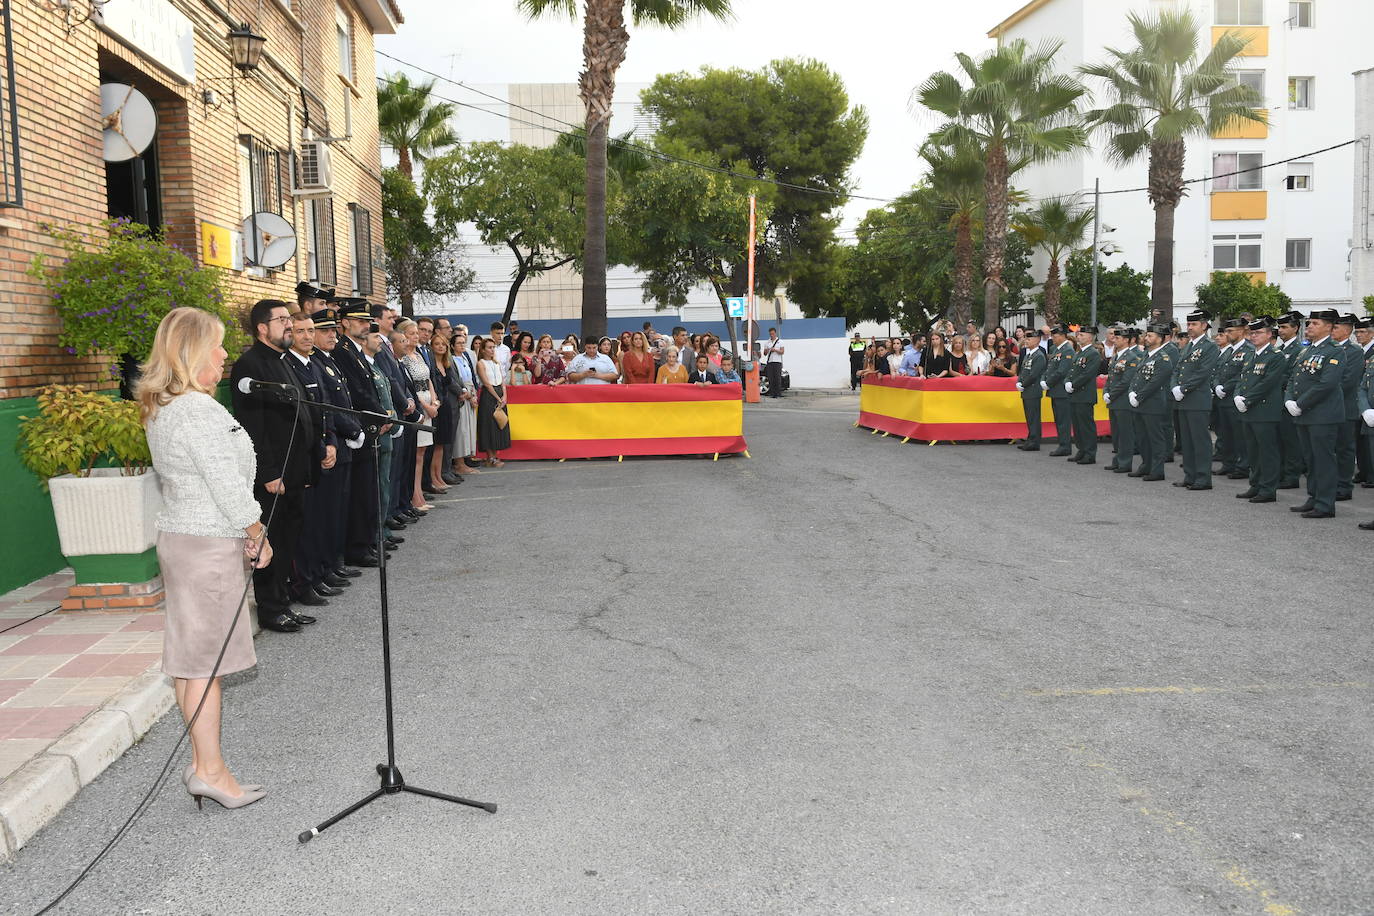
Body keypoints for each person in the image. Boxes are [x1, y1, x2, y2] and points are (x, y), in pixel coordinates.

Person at [138, 308, 268, 810]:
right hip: (206, 545)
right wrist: (257, 533)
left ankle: (204, 766)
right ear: (191, 352)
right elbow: (226, 485)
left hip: (190, 541)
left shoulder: (174, 406)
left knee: (195, 664)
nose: (223, 354)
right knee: (203, 666)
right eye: (215, 345)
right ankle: (211, 770)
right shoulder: (192, 411)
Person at [228, 299, 316, 634]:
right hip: (274, 474)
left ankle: (283, 602)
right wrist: (268, 473)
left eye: (288, 319)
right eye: (282, 320)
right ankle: (270, 608)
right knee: (271, 538)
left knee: (288, 538)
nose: (289, 325)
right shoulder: (250, 365)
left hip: (294, 469)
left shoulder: (283, 361)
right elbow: (253, 427)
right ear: (262, 327)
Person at [283, 311, 341, 609]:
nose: (306, 336)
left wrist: (330, 441)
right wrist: (321, 449)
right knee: (305, 525)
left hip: (322, 449)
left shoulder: (313, 364)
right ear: (290, 333)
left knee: (320, 519)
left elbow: (325, 409)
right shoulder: (288, 365)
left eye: (309, 331)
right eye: (301, 331)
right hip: (305, 456)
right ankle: (304, 582)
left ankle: (318, 573)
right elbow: (301, 416)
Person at [306, 308, 364, 586]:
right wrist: (351, 428)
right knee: (327, 512)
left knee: (339, 509)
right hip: (333, 442)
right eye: (324, 330)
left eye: (333, 330)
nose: (332, 335)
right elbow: (328, 406)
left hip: (341, 443)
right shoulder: (315, 362)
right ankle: (324, 566)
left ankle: (333, 563)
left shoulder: (327, 360)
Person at [1284, 309, 1345, 518]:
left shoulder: (1335, 350)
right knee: (1310, 459)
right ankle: (1314, 496)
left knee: (1323, 459)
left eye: (1314, 323)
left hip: (1323, 415)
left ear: (1328, 327)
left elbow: (1327, 383)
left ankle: (1325, 503)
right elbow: (1293, 378)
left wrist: (1300, 403)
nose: (1309, 327)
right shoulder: (1306, 351)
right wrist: (1289, 400)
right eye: (1309, 323)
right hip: (1304, 414)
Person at [1233, 318, 1285, 503]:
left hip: (1264, 410)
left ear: (1269, 334)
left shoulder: (1276, 356)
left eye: (1259, 333)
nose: (1254, 336)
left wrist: (1247, 399)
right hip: (1249, 410)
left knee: (1267, 451)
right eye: (1252, 333)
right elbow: (1242, 379)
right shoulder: (1250, 355)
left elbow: (1268, 383)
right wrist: (1238, 395)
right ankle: (1255, 484)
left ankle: (1268, 488)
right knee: (1253, 451)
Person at [1171, 309, 1221, 491]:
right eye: (1189, 324)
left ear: (1204, 326)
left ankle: (1203, 477)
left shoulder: (1209, 346)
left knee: (1200, 440)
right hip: (1183, 399)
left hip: (1197, 399)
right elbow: (1177, 369)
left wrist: (1183, 388)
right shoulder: (1189, 346)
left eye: (1194, 324)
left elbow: (1203, 372)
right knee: (1187, 440)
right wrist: (1174, 386)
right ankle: (1190, 475)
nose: (1190, 328)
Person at [1126, 324, 1175, 481]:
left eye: (1150, 336)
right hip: (1141, 403)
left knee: (1155, 438)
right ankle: (1145, 465)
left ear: (1160, 339)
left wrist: (1138, 396)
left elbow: (1155, 382)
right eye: (1146, 336)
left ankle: (1157, 470)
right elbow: (1136, 377)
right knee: (1142, 437)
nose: (1146, 338)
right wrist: (1132, 392)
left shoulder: (1163, 358)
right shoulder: (1146, 355)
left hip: (1153, 404)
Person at [1212, 318, 1252, 480]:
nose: (1227, 334)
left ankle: (1242, 466)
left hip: (1235, 399)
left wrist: (1225, 388)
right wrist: (1216, 386)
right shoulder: (1228, 351)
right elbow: (1216, 372)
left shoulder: (1248, 349)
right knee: (1225, 434)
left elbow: (1242, 374)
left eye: (1231, 331)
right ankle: (1228, 464)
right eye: (1226, 331)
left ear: (1242, 331)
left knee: (1239, 435)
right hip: (1222, 399)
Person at [1331, 313, 1364, 503]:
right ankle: (1332, 483)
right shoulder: (1330, 349)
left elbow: (1348, 381)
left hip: (1345, 407)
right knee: (1331, 448)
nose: (1333, 330)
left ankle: (1344, 486)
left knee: (1344, 449)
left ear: (1347, 330)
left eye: (1336, 327)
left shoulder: (1353, 351)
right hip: (1328, 407)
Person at [1102, 328, 1141, 473]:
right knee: (1117, 433)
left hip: (1123, 401)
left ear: (1126, 340)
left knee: (1125, 433)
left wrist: (1111, 394)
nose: (1114, 340)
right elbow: (1110, 378)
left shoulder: (1131, 357)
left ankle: (1125, 462)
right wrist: (1106, 392)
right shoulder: (1116, 357)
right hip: (1114, 400)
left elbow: (1126, 381)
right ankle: (1118, 459)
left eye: (1118, 338)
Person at [1274, 311, 1306, 488]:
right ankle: (1281, 473)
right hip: (1276, 400)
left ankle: (1292, 476)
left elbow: (1292, 376)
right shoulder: (1280, 349)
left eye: (1285, 327)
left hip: (1288, 399)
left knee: (1290, 440)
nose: (1280, 330)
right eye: (1279, 327)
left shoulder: (1299, 350)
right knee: (1279, 439)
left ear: (1295, 328)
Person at [1063, 326, 1104, 464]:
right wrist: (1067, 381)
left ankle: (1090, 453)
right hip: (1075, 395)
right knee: (1077, 425)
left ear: (1090, 337)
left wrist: (1073, 384)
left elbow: (1088, 374)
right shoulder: (1079, 353)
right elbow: (1072, 371)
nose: (1078, 337)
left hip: (1085, 395)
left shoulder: (1093, 353)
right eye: (1078, 335)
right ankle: (1081, 450)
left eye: (1082, 335)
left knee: (1086, 426)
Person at [428, 332, 460, 489]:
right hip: (437, 404)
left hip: (447, 404)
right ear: (431, 347)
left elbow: (451, 382)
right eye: (437, 344)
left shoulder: (447, 363)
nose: (440, 346)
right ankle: (433, 478)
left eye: (443, 344)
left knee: (442, 443)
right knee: (435, 444)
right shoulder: (431, 363)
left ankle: (438, 476)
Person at [1041, 326, 1075, 456]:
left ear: (1062, 336)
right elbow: (1050, 367)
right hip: (1055, 389)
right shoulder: (1055, 349)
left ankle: (1065, 446)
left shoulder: (1068, 351)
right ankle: (1062, 444)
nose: (1052, 339)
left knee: (1063, 420)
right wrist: (1044, 379)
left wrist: (1048, 383)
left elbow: (1062, 371)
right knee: (1058, 419)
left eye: (1054, 337)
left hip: (1061, 390)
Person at [476, 338, 510, 466]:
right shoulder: (481, 363)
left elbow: (502, 382)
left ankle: (495, 455)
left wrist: (504, 397)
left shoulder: (496, 364)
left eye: (493, 347)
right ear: (483, 350)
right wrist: (498, 398)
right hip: (489, 396)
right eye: (489, 347)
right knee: (488, 426)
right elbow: (486, 383)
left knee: (498, 424)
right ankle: (490, 457)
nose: (492, 350)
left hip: (499, 394)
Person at [451, 331, 480, 475]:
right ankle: (459, 463)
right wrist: (466, 394)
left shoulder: (465, 357)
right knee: (461, 430)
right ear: (452, 345)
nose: (462, 345)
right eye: (459, 343)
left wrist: (473, 394)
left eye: (464, 342)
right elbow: (456, 379)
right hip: (462, 395)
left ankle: (466, 459)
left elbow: (471, 377)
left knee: (468, 428)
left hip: (470, 392)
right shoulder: (452, 359)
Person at [1015, 328, 1046, 450]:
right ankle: (1030, 438)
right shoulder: (1029, 355)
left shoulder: (1039, 356)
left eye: (1029, 338)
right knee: (1029, 417)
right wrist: (1019, 381)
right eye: (1026, 338)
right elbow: (1023, 371)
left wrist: (1023, 384)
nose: (1026, 340)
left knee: (1034, 417)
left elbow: (1034, 374)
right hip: (1027, 390)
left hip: (1033, 390)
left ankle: (1034, 441)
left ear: (1037, 340)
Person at [763, 327, 785, 398]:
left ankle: (778, 393)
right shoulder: (767, 342)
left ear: (775, 333)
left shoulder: (780, 341)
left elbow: (782, 352)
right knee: (771, 378)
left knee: (777, 378)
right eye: (770, 334)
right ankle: (772, 393)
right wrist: (767, 350)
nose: (771, 335)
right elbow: (765, 353)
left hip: (777, 362)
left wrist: (775, 350)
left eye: (773, 334)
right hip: (770, 362)